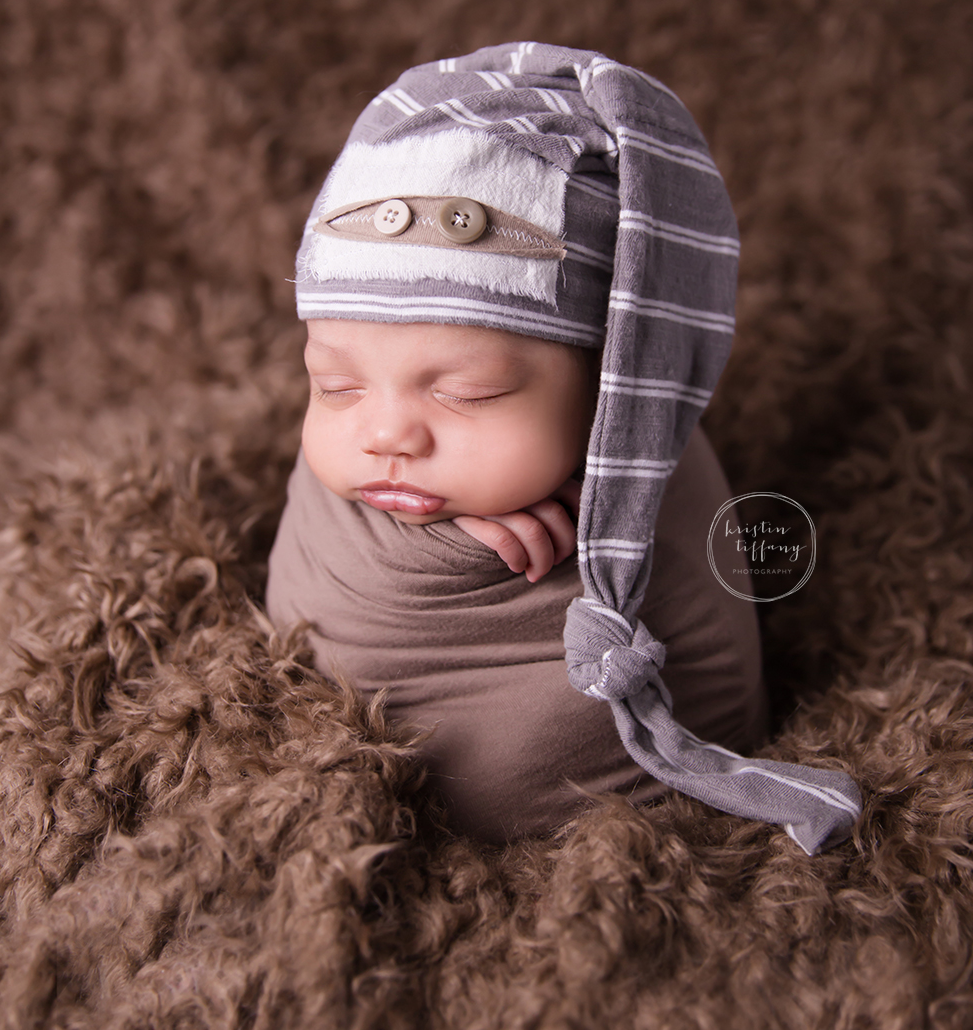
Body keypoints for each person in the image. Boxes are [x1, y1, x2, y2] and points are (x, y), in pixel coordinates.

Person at [267, 42, 862, 851]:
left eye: (465, 393)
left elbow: (698, 656)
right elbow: (314, 580)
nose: (384, 435)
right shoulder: (373, 451)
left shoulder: (651, 467)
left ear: (610, 385)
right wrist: (439, 545)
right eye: (335, 385)